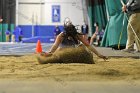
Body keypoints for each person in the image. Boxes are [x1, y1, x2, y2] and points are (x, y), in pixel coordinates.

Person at [43, 19, 107, 60]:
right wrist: (50, 52)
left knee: (82, 46)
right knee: (59, 49)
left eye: (72, 35)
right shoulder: (61, 35)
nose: (70, 37)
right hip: (63, 51)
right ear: (66, 33)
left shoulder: (77, 35)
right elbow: (55, 45)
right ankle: (56, 57)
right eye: (69, 35)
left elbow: (88, 45)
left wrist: (98, 54)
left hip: (74, 51)